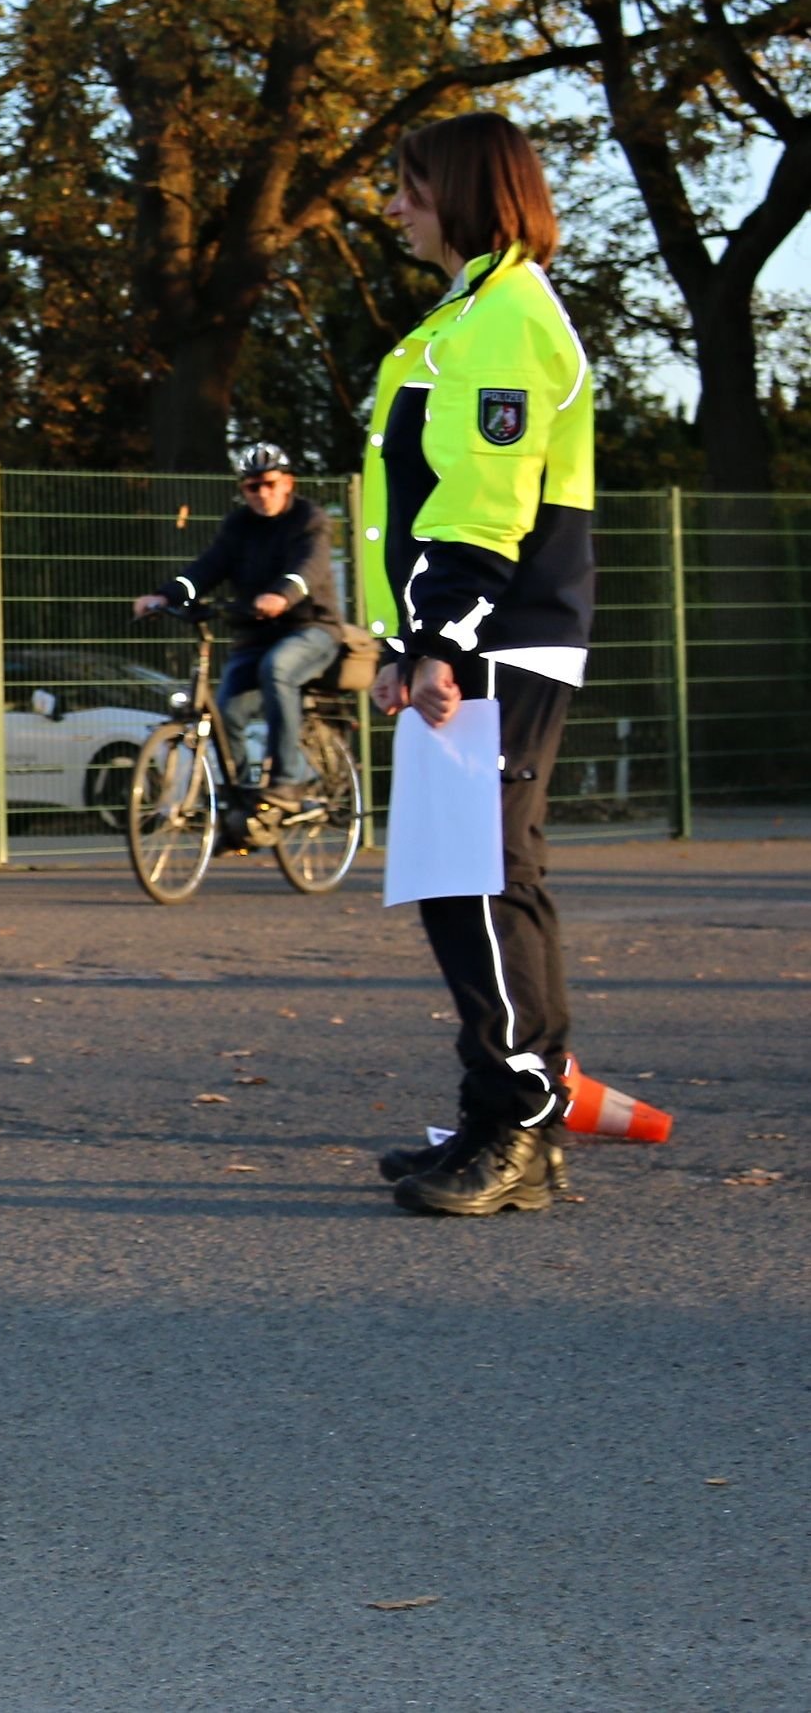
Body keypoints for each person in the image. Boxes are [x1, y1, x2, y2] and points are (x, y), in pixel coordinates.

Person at [360, 112, 595, 1217]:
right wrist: (403, 644)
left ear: (457, 190)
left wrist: (438, 641)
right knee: (463, 880)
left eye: (407, 186)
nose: (394, 206)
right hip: (468, 638)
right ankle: (494, 1108)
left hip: (491, 638)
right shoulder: (470, 315)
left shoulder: (500, 321)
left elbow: (481, 502)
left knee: (484, 880)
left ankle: (519, 1130)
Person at [135, 445, 344, 821]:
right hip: (256, 635)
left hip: (310, 629)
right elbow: (207, 568)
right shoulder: (237, 526)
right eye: (251, 487)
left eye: (268, 484)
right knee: (226, 710)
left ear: (287, 483)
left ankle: (288, 780)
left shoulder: (308, 519)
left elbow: (308, 569)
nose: (261, 494)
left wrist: (284, 595)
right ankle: (247, 800)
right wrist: (165, 595)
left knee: (278, 669)